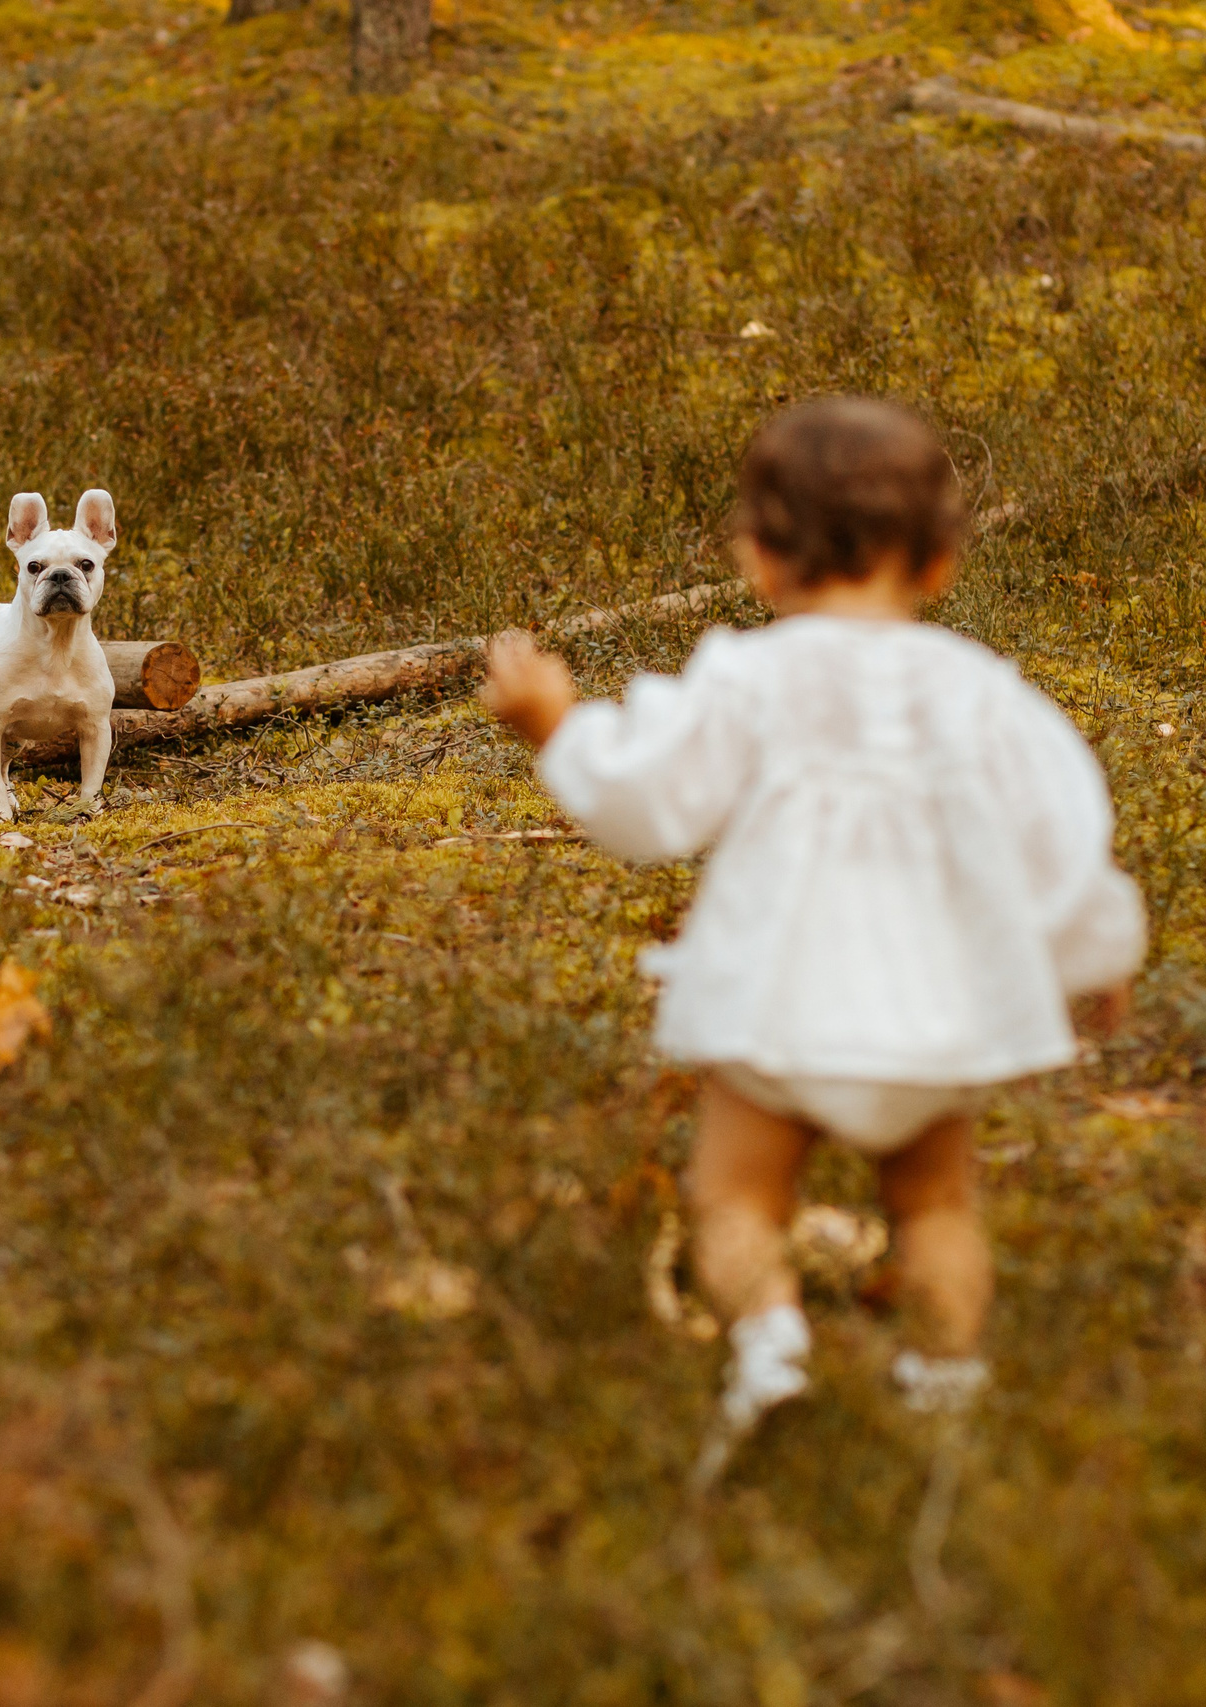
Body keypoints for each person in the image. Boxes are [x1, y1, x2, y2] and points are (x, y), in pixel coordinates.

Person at [480, 397, 1145, 1462]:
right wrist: (1097, 953)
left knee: (735, 1193)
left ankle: (772, 1353)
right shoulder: (982, 695)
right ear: (939, 563)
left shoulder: (750, 681)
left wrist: (555, 727)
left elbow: (649, 803)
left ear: (756, 558)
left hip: (775, 1004)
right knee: (934, 1205)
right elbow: (1061, 834)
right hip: (942, 1011)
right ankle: (942, 1388)